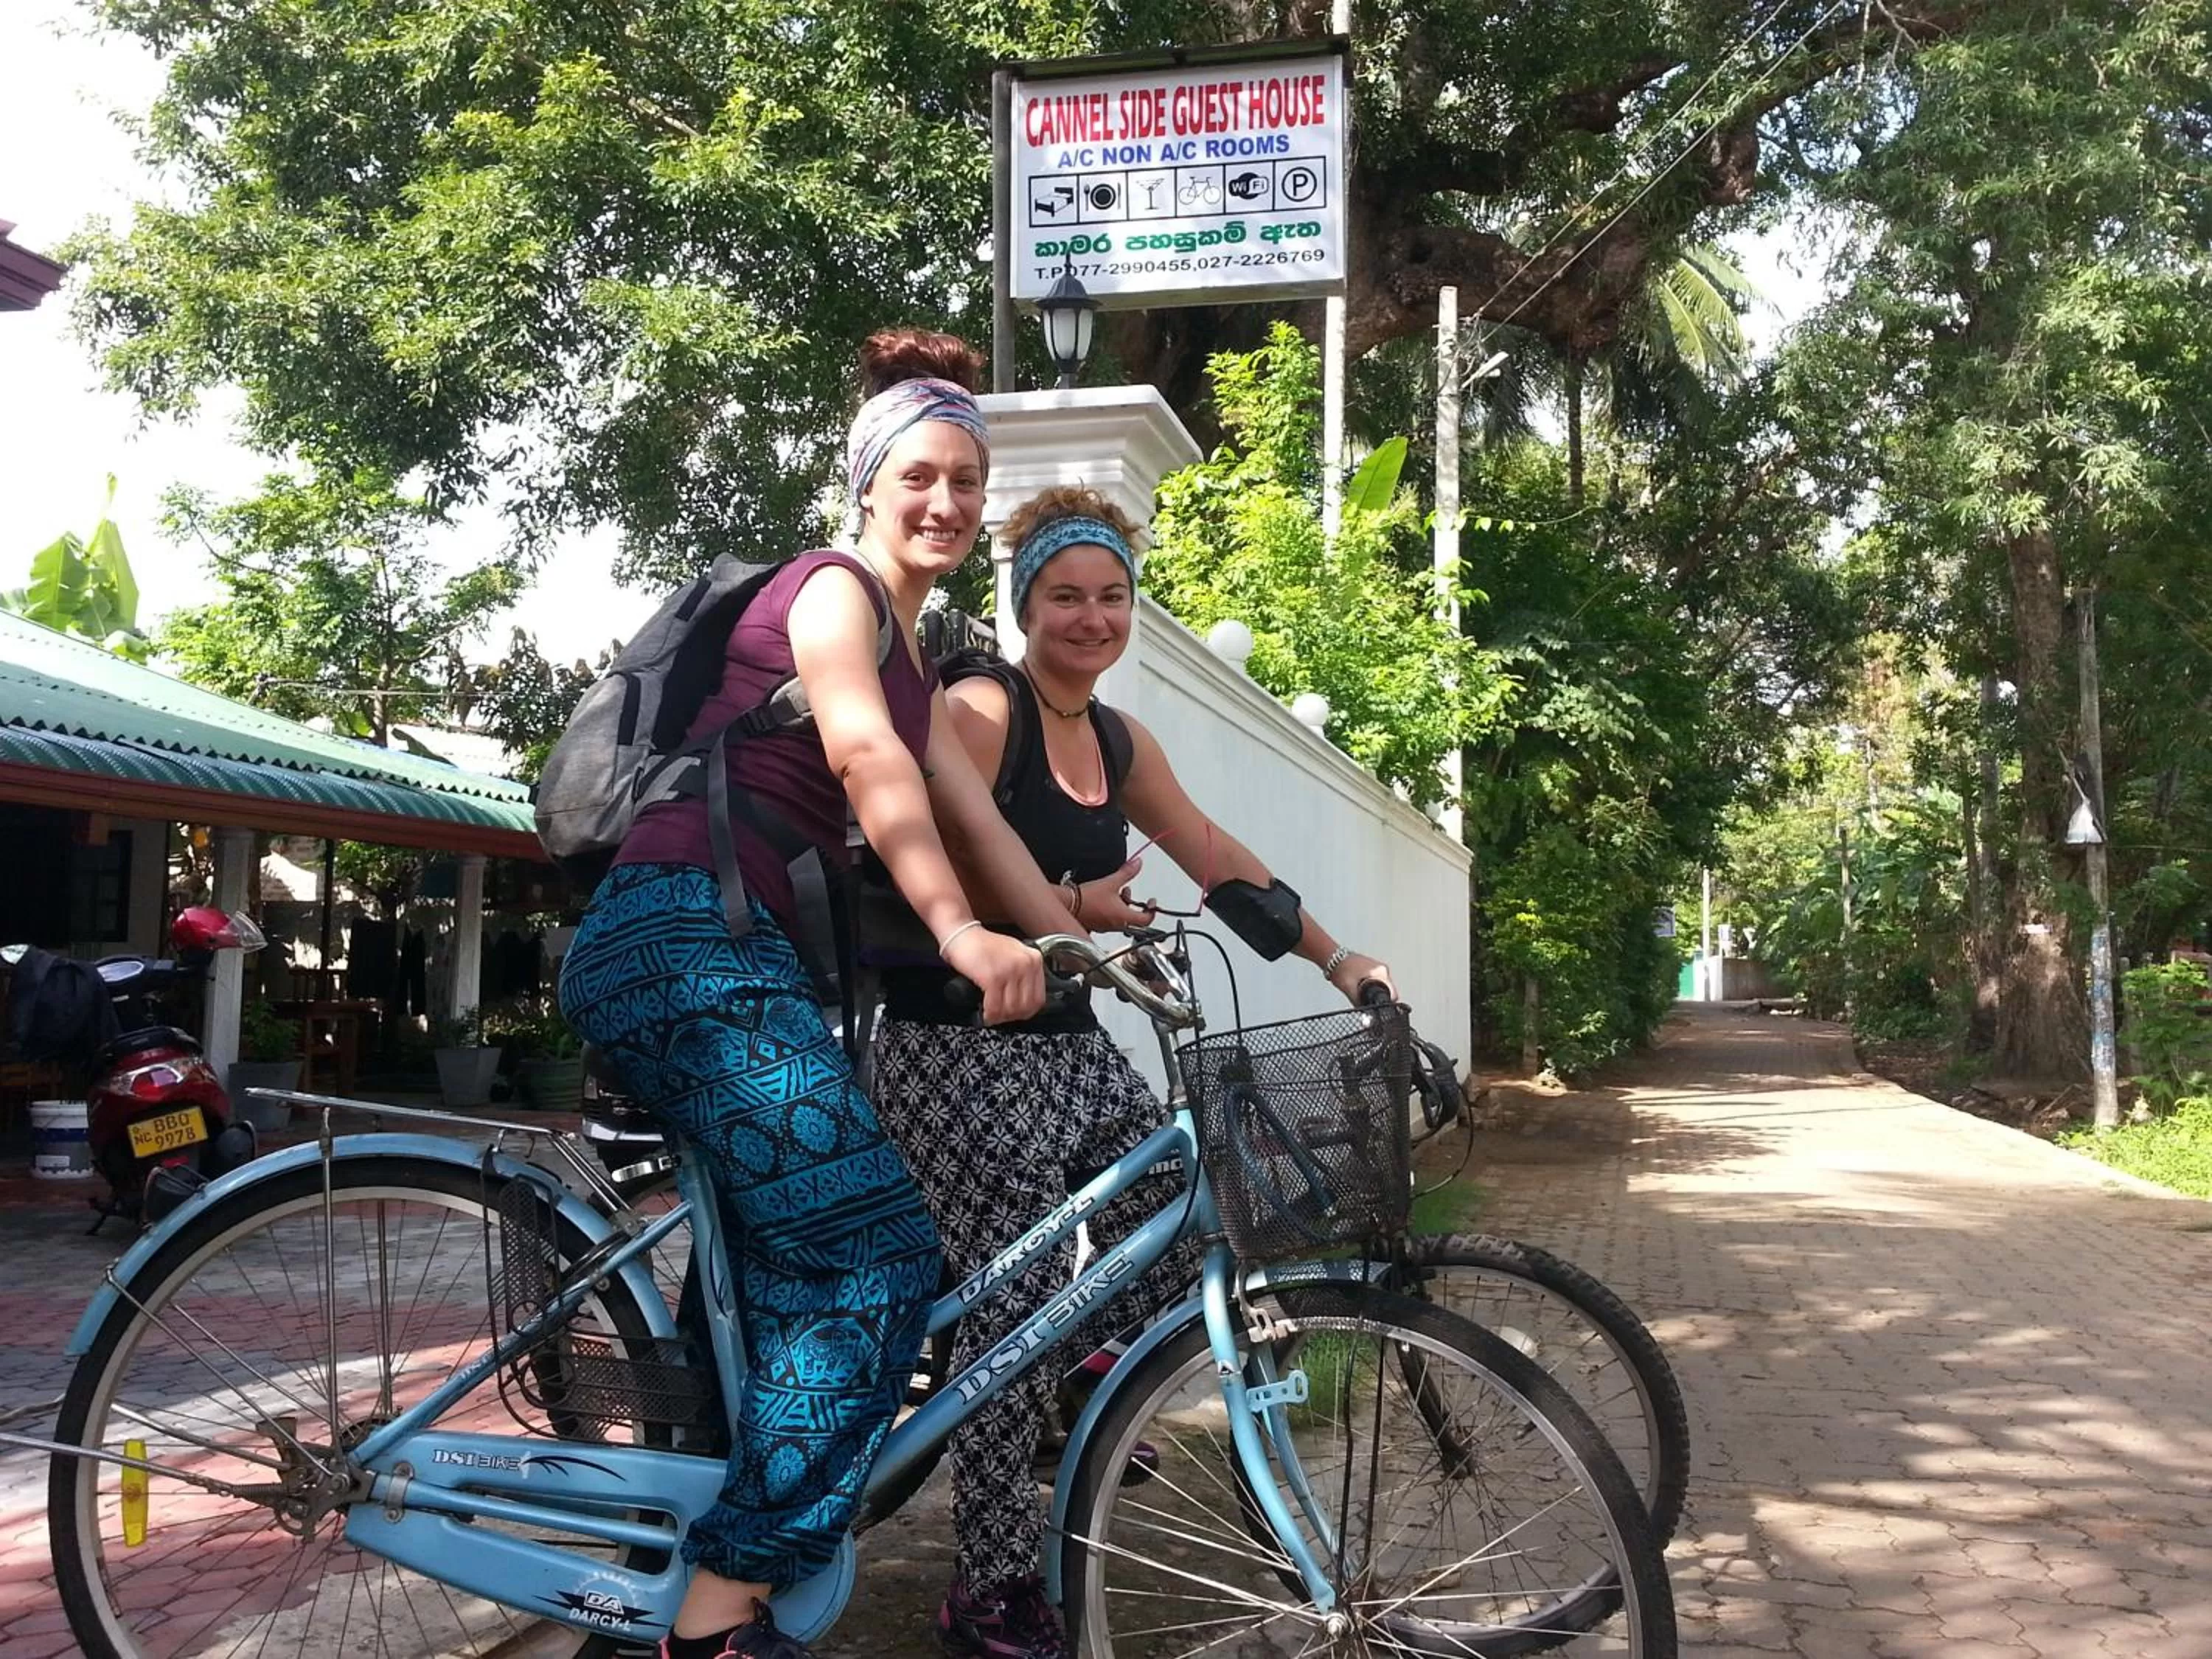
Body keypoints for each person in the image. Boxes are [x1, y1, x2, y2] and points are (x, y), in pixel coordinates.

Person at [559, 330, 1085, 1659]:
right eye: (922, 473)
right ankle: (719, 1612)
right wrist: (961, 932)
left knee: (785, 1277)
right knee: (882, 1258)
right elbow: (866, 761)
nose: (948, 503)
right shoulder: (834, 592)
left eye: (969, 480)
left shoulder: (922, 653)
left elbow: (981, 824)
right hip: (678, 940)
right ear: (867, 481)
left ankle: (684, 1549)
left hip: (740, 963)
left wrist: (1083, 942)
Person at [869, 484, 1396, 1659]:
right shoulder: (981, 707)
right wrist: (1070, 908)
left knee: (1179, 1207)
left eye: (1110, 596)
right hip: (950, 1045)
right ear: (1024, 604)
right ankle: (991, 1586)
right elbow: (924, 850)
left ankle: (1081, 1376)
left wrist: (1338, 957)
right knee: (1008, 1309)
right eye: (1066, 595)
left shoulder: (1116, 737)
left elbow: (1216, 858)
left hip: (1063, 1040)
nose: (1091, 617)